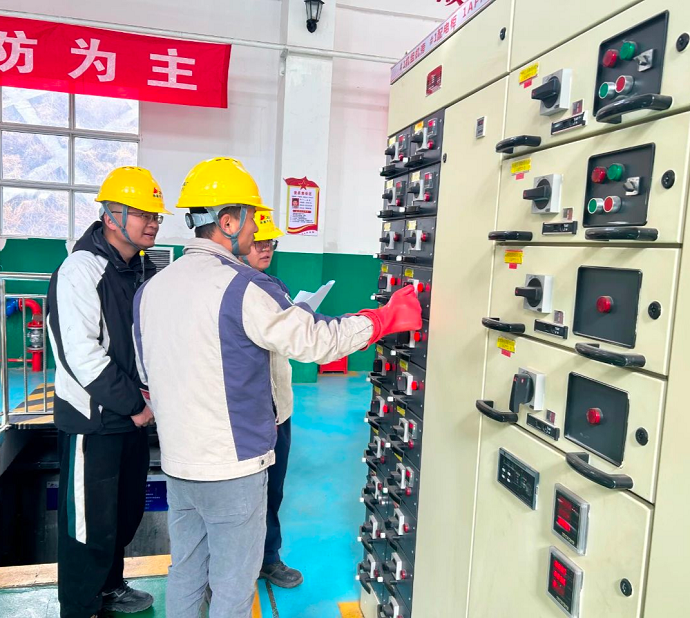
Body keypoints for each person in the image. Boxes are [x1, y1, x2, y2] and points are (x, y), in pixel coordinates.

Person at [132, 157, 421, 618]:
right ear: (228, 221)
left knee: (186, 570)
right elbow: (315, 341)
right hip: (233, 466)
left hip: (179, 462)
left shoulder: (151, 289)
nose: (256, 229)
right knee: (233, 583)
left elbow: (147, 376)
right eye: (250, 217)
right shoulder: (243, 286)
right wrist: (383, 319)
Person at [46, 167, 170, 618]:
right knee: (88, 524)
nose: (152, 223)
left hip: (133, 416)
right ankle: (80, 607)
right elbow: (80, 354)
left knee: (123, 513)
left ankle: (111, 587)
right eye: (142, 214)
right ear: (111, 216)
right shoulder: (80, 270)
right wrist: (134, 404)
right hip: (94, 421)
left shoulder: (141, 268)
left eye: (156, 215)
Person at [245, 212, 301, 588]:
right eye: (258, 241)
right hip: (247, 415)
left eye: (270, 242)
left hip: (279, 409)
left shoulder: (274, 286)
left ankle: (268, 557)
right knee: (239, 497)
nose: (266, 248)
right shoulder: (232, 289)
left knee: (273, 490)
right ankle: (229, 567)